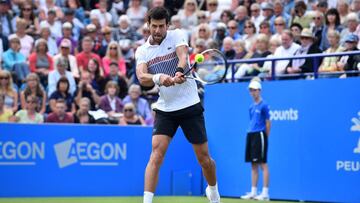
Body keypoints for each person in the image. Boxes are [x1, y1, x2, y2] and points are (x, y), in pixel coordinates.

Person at [135, 7, 220, 203]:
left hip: (189, 105)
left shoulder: (177, 35)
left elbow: (183, 56)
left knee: (204, 159)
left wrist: (180, 70)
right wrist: (159, 77)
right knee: (156, 154)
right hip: (166, 108)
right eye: (153, 26)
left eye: (161, 26)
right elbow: (142, 77)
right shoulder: (142, 51)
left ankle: (213, 192)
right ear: (148, 25)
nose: (157, 30)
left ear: (167, 25)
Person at [241, 78, 271, 201]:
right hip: (251, 134)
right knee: (253, 165)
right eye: (251, 90)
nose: (252, 92)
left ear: (259, 91)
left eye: (254, 90)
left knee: (263, 164)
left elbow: (268, 123)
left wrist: (265, 137)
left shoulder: (264, 105)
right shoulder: (251, 106)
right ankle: (253, 192)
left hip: (260, 135)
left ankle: (265, 193)